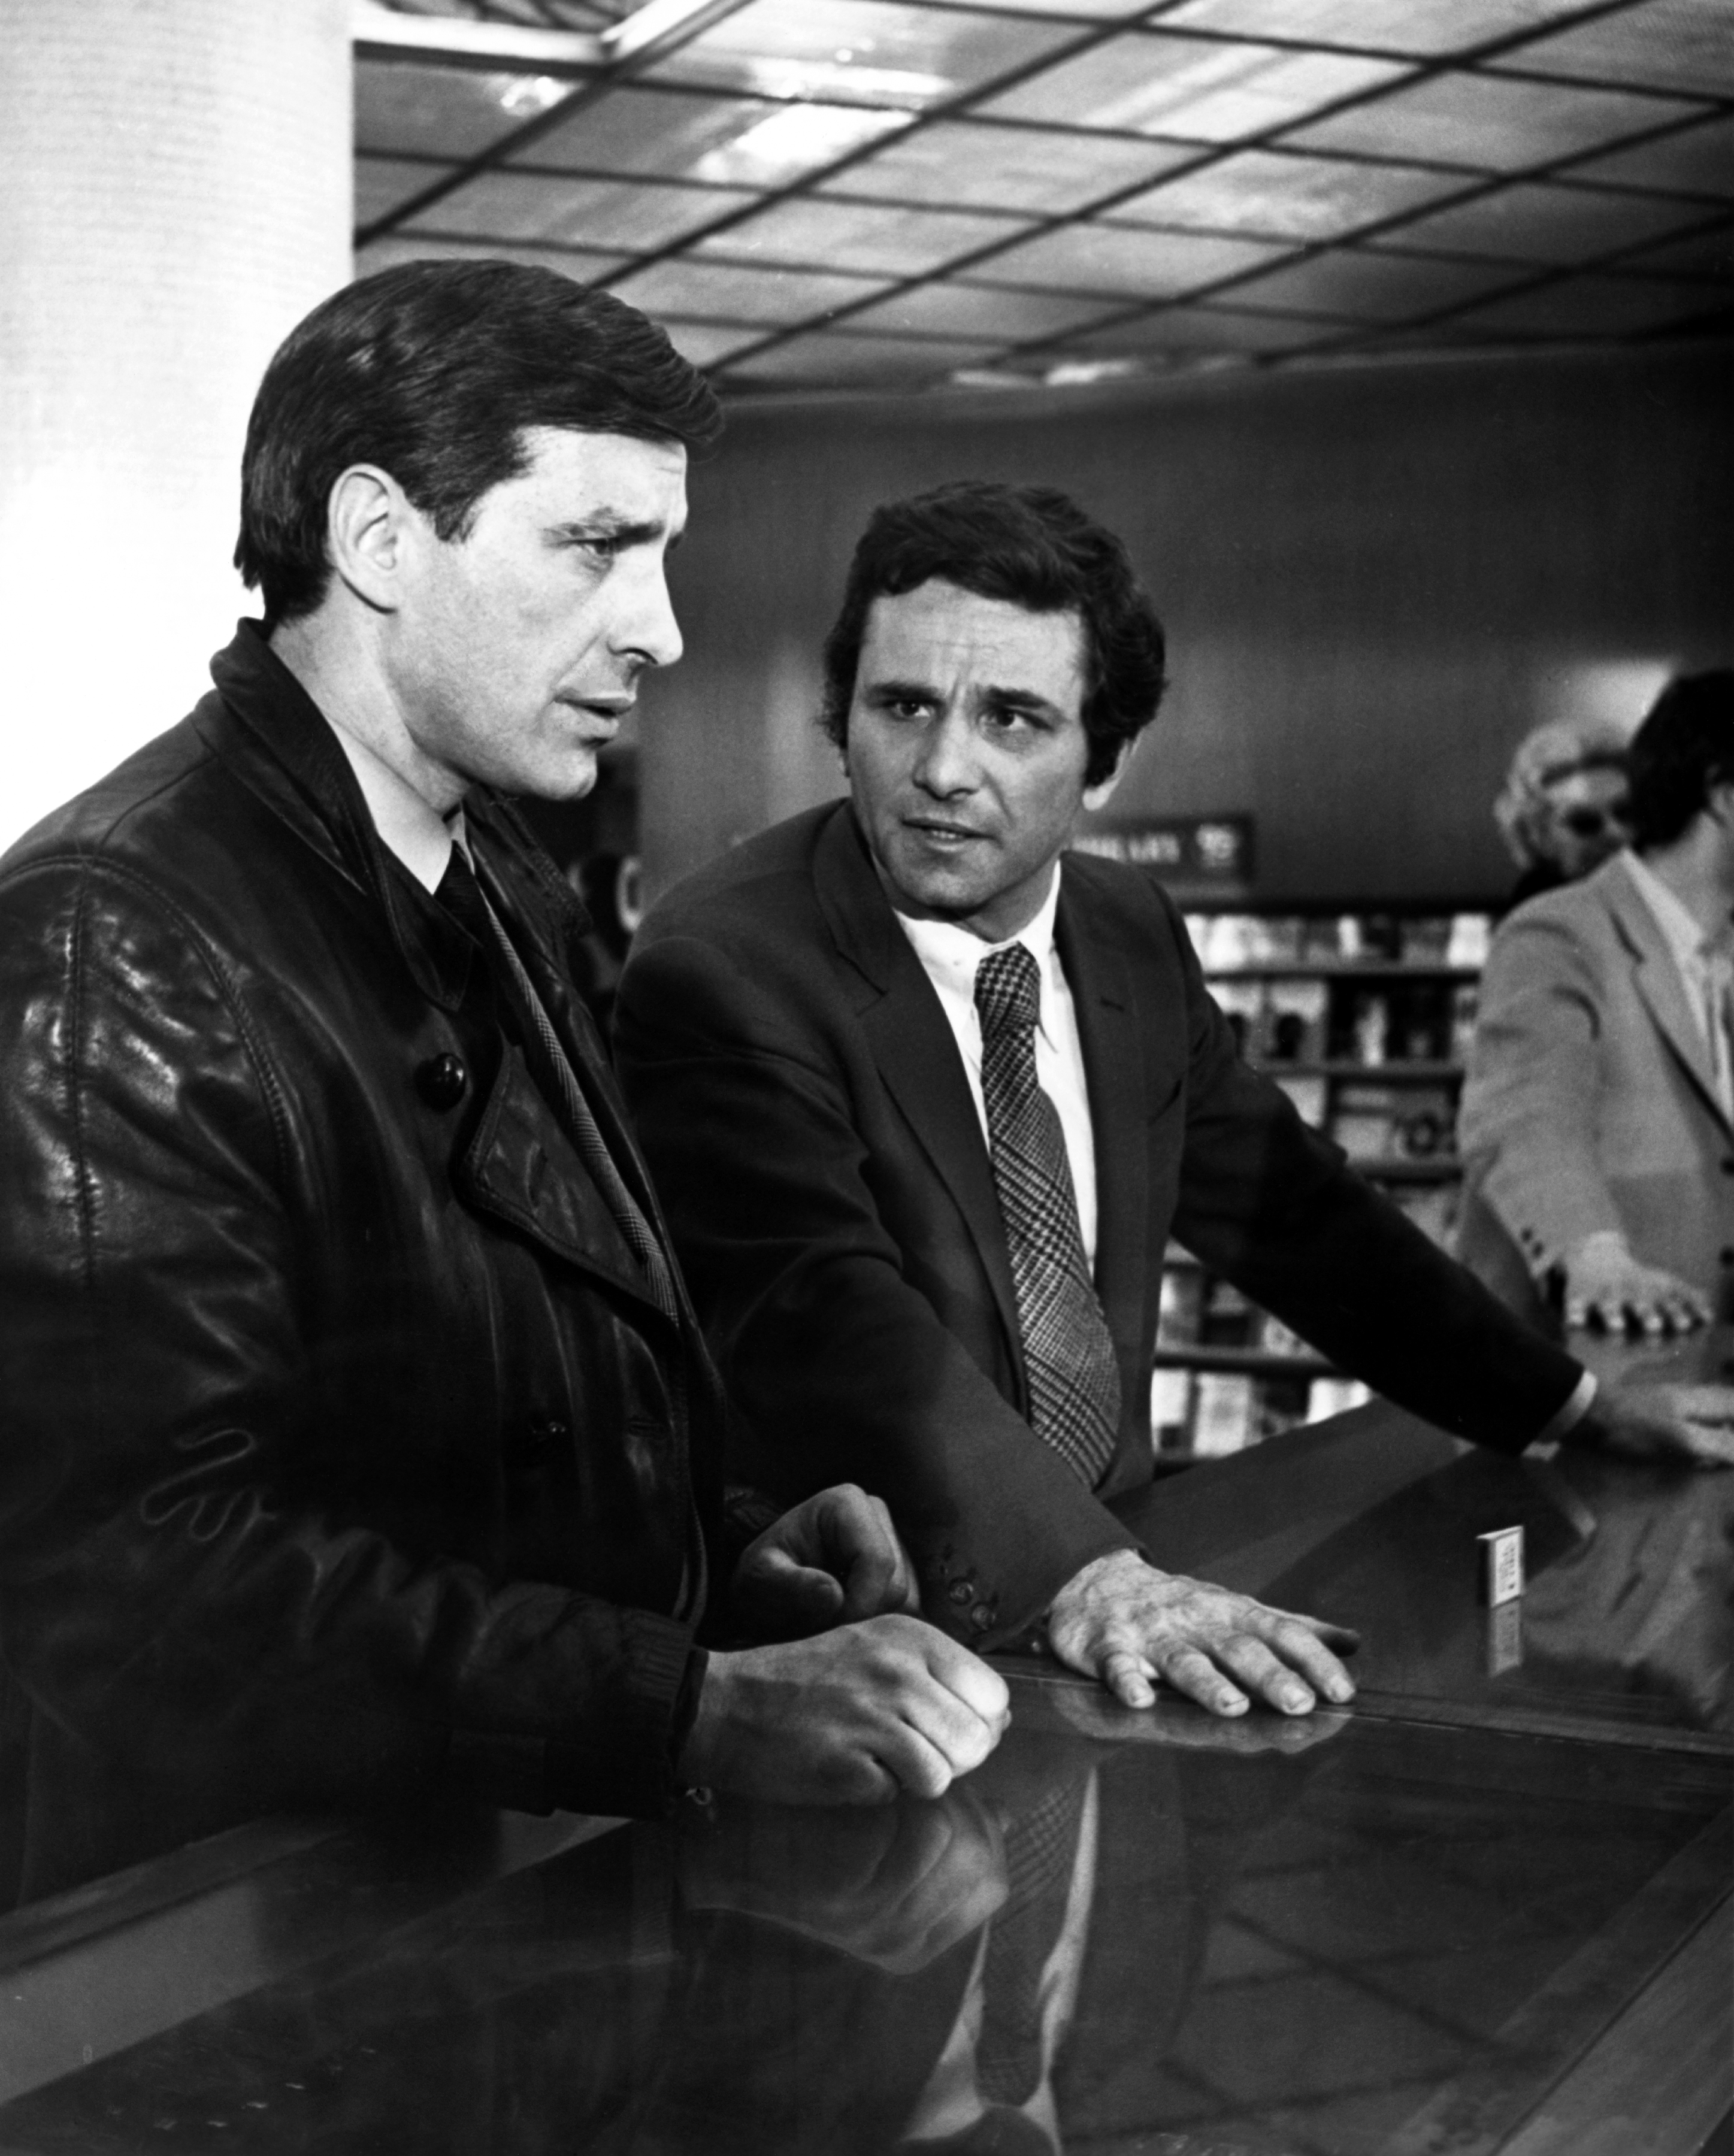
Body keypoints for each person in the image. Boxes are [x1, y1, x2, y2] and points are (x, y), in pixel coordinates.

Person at [0, 264, 1009, 1904]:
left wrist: (707, 1555)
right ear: (379, 538)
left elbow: (485, 1400)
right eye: (595, 546)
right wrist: (680, 1705)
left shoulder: (498, 879)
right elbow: (144, 1583)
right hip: (241, 1964)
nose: (659, 627)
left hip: (478, 1899)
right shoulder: (110, 936)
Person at [614, 482, 1734, 1726]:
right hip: (855, 1667)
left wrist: (1567, 1404)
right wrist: (1089, 1577)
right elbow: (825, 1312)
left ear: (1107, 760)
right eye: (903, 705)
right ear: (845, 716)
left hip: (1119, 1651)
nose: (941, 769)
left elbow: (1297, 1217)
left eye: (1012, 718)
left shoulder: (1130, 930)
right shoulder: (723, 964)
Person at [1458, 670, 1734, 1334]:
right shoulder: (1553, 933)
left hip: (1696, 1362)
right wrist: (1592, 1254)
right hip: (1572, 1362)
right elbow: (1528, 1114)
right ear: (1725, 796)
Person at [1491, 713, 1634, 915]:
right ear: (1539, 838)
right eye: (1584, 823)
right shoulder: (1534, 921)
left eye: (1626, 814)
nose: (1616, 832)